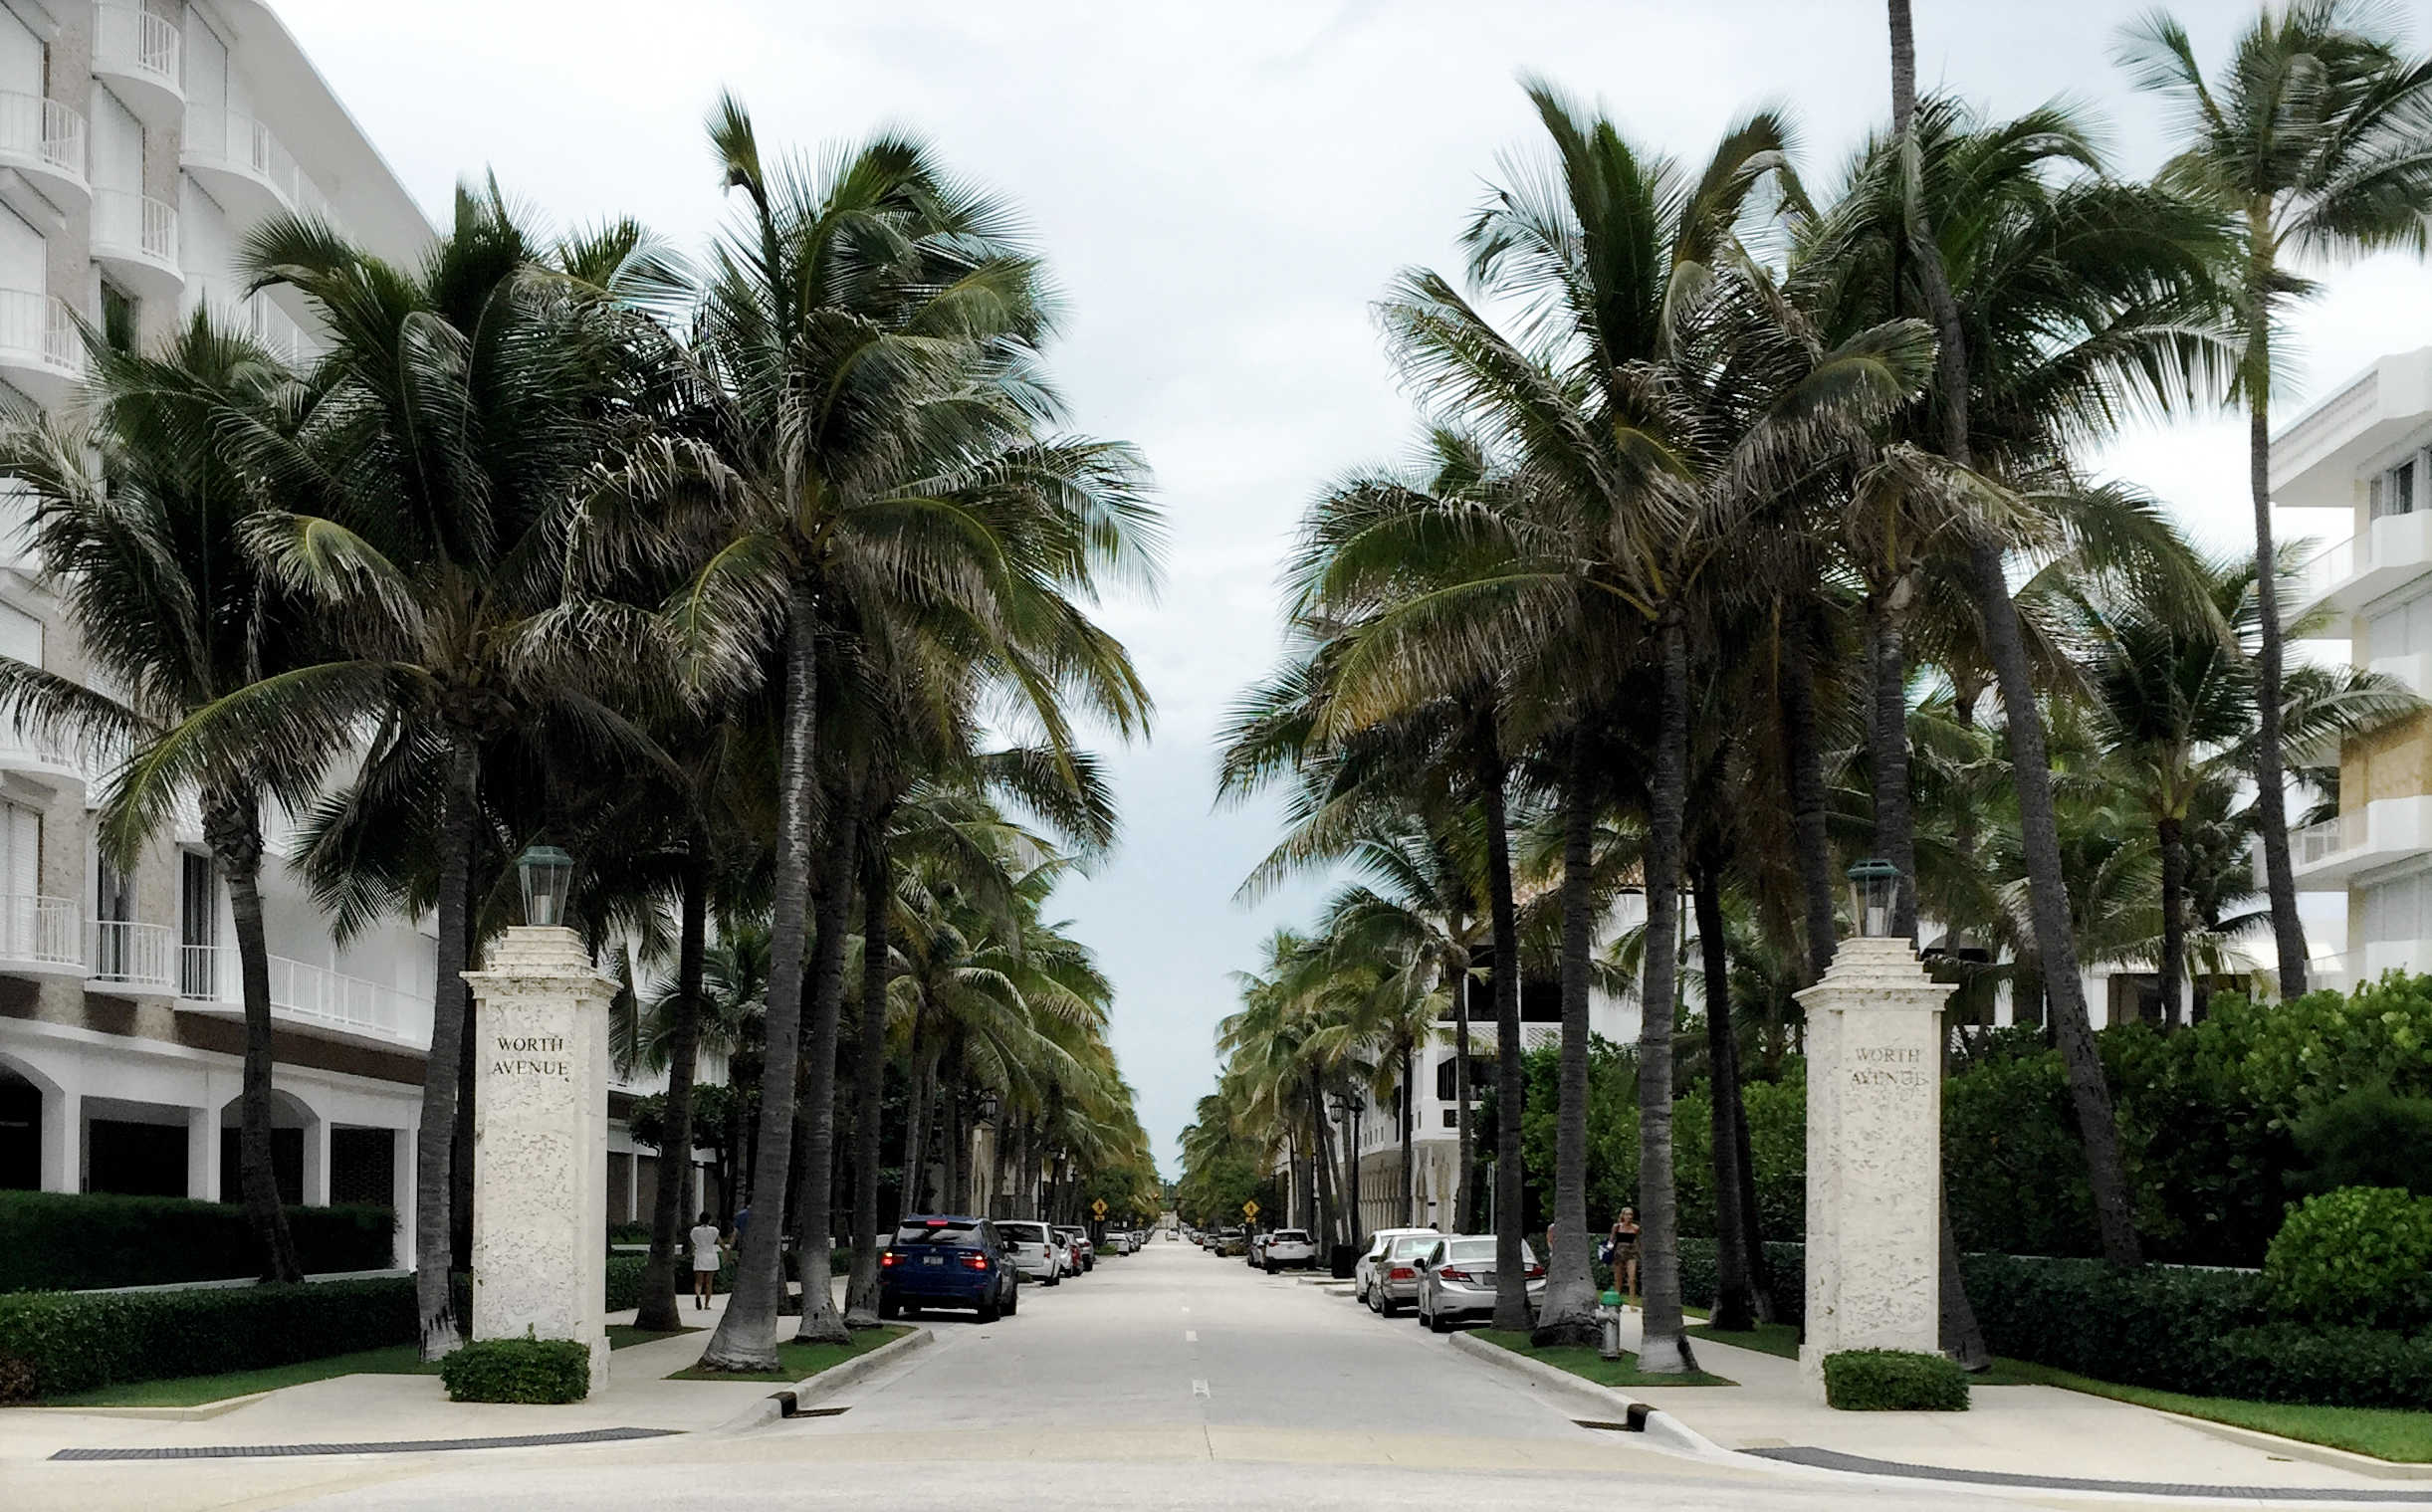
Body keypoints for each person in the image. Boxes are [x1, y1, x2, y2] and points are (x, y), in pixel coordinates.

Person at [688, 1209, 724, 1311]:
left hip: (700, 1255)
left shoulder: (695, 1230)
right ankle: (707, 1304)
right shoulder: (714, 1230)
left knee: (698, 1281)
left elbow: (693, 1241)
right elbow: (720, 1242)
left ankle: (698, 1295)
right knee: (709, 1283)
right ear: (710, 1220)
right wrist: (726, 1250)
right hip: (711, 1256)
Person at [1608, 1206, 1641, 1303]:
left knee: (1632, 1279)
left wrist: (1640, 1254)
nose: (1629, 1216)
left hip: (1631, 1254)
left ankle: (1632, 1302)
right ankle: (1616, 1299)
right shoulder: (1617, 1227)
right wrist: (1608, 1251)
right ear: (1623, 1215)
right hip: (1619, 1254)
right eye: (1627, 1214)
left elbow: (1638, 1242)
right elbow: (1611, 1239)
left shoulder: (1635, 1228)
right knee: (1618, 1279)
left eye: (1631, 1214)